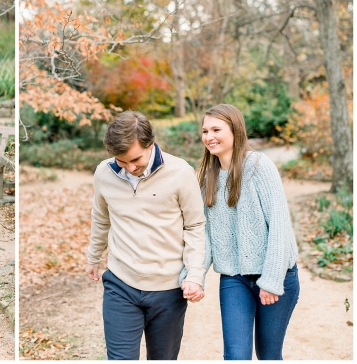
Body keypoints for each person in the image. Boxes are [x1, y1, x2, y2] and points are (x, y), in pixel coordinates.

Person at [85, 110, 206, 360]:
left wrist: (195, 274)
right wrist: (93, 257)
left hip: (168, 289)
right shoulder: (104, 174)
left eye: (136, 159)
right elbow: (101, 218)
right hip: (121, 283)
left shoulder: (181, 173)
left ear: (150, 144)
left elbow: (195, 226)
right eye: (121, 161)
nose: (130, 168)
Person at [198, 104, 299, 360]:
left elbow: (279, 225)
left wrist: (272, 280)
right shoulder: (206, 177)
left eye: (216, 129)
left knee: (268, 354)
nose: (209, 136)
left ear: (235, 130)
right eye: (205, 131)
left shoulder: (258, 166)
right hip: (235, 279)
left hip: (277, 275)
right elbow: (206, 235)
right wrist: (194, 276)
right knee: (235, 355)